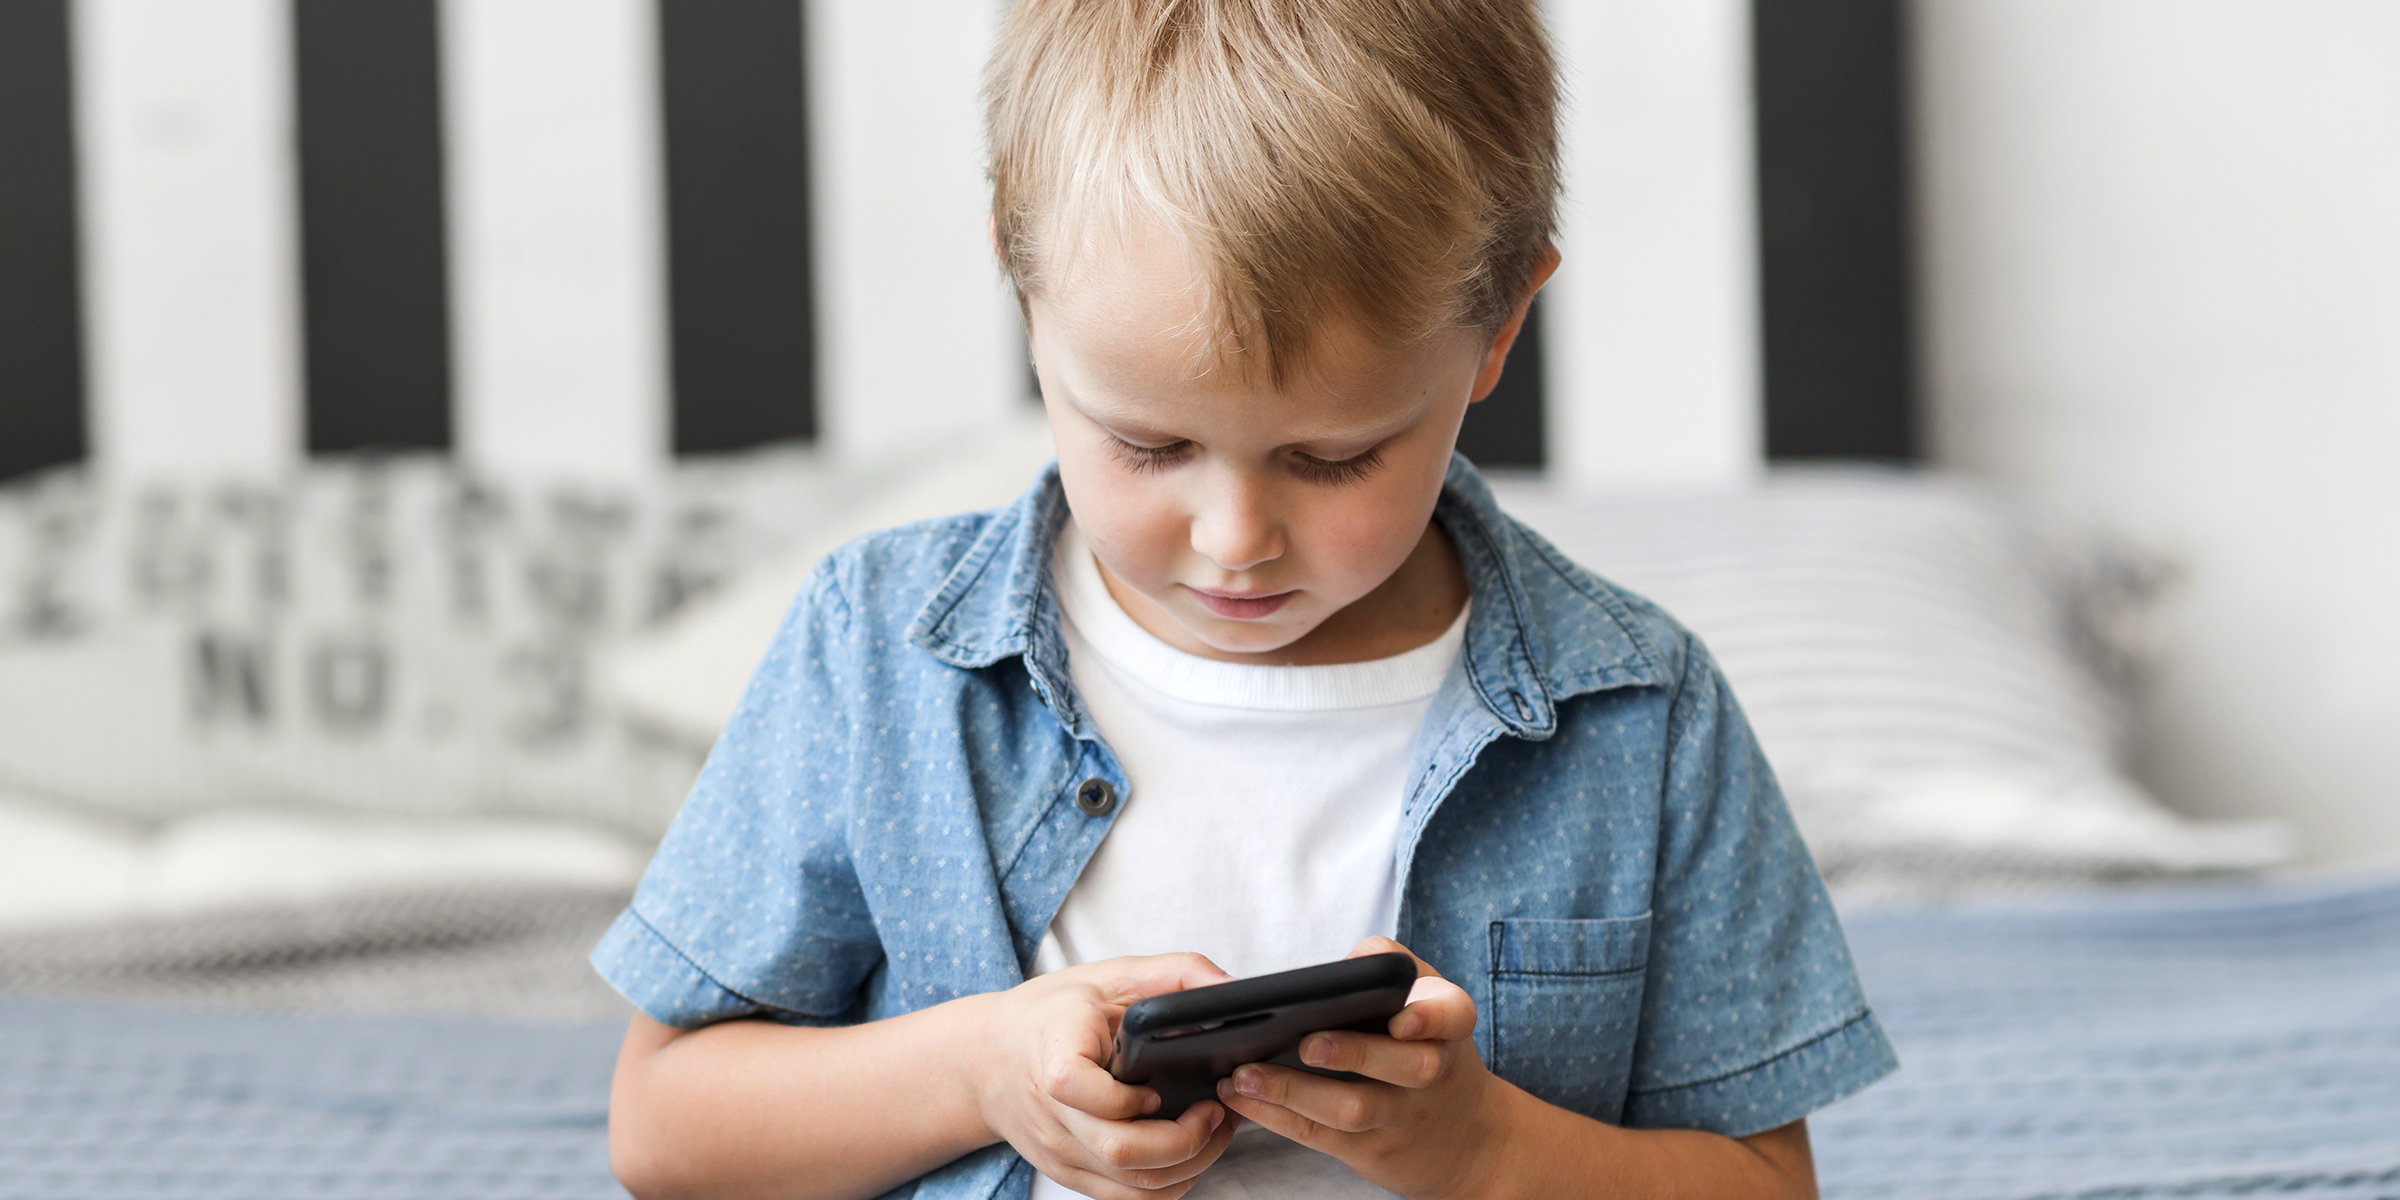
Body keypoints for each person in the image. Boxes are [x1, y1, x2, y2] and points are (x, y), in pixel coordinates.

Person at [593, 1, 1897, 1197]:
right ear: (1024, 284)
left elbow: (1765, 1185)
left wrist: (1488, 1146)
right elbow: (664, 1130)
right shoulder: (876, 655)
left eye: (1333, 459)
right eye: (1149, 447)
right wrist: (979, 1071)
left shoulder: (1639, 713)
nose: (1235, 542)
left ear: (1499, 325)